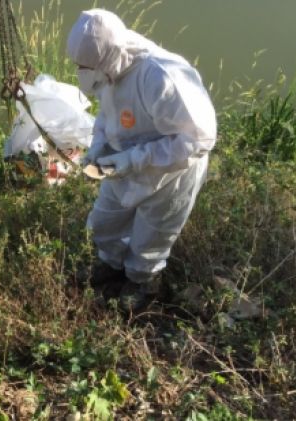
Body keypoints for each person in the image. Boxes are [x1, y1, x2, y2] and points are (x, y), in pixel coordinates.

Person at [66, 9, 217, 311]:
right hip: (122, 159)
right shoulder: (109, 66)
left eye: (86, 66)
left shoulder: (161, 76)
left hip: (172, 170)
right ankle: (109, 265)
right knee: (104, 221)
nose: (83, 71)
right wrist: (98, 147)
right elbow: (106, 115)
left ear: (106, 58)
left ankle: (142, 282)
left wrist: (136, 159)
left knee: (152, 233)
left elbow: (199, 138)